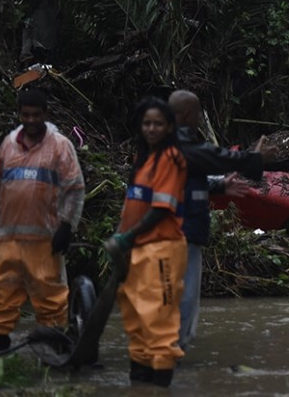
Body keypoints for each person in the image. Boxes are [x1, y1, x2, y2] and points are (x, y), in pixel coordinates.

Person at [0, 87, 85, 352]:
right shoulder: (9, 144)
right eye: (25, 115)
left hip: (45, 238)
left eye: (36, 115)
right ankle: (0, 342)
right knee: (2, 291)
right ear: (19, 114)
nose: (30, 120)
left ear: (45, 113)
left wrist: (67, 225)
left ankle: (54, 348)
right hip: (7, 235)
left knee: (50, 295)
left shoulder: (61, 147)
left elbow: (75, 188)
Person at [167, 89, 273, 352]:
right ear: (189, 114)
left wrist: (218, 186)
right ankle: (170, 351)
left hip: (170, 230)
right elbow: (214, 157)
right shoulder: (181, 145)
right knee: (185, 294)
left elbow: (188, 178)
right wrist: (254, 158)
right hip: (182, 230)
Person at [108, 96, 188, 387]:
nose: (151, 129)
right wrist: (120, 235)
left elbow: (161, 209)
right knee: (135, 315)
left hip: (162, 247)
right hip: (137, 248)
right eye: (147, 123)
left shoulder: (171, 158)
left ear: (169, 127)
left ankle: (159, 387)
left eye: (158, 124)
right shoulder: (144, 160)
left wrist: (127, 236)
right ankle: (139, 386)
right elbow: (133, 206)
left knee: (160, 321)